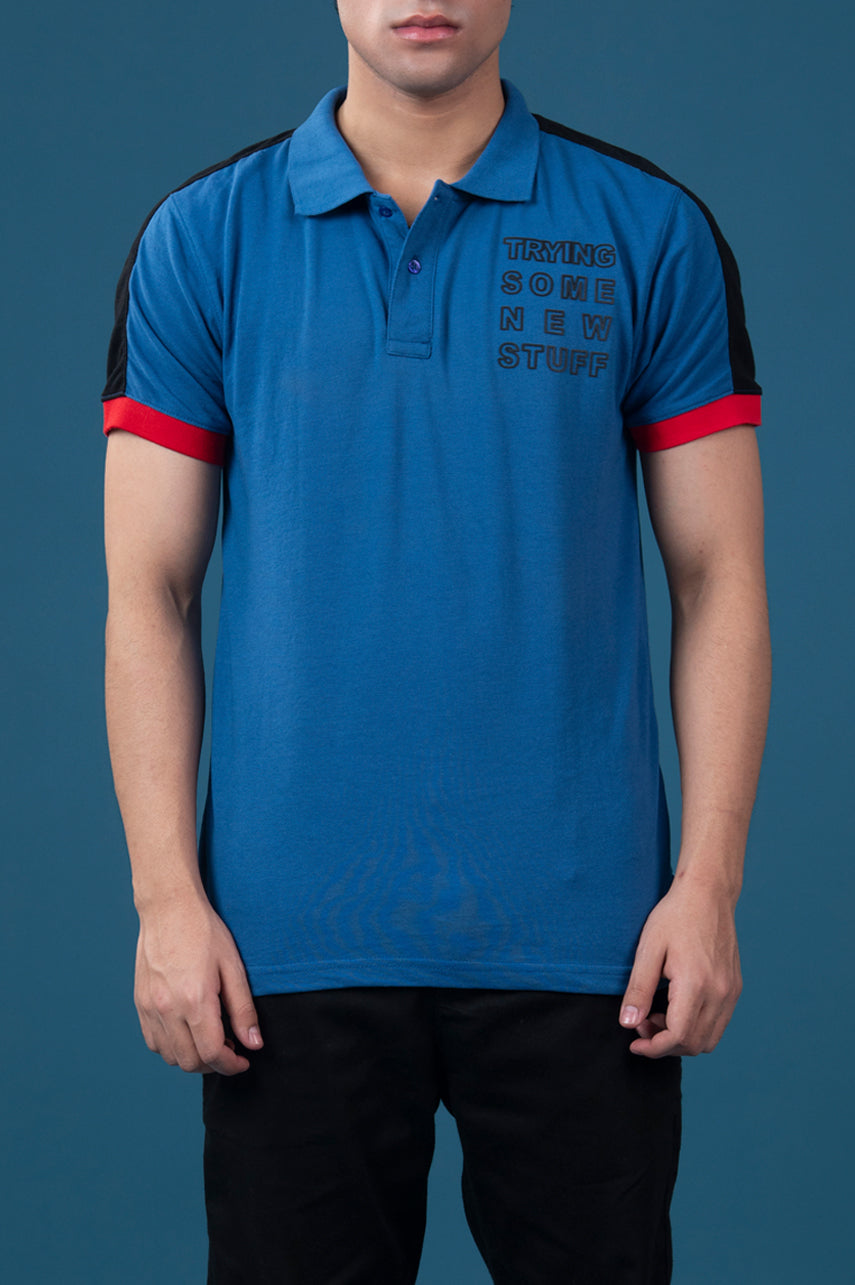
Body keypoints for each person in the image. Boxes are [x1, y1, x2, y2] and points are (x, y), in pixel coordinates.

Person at [102, 3, 771, 1281]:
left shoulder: (649, 228)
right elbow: (150, 594)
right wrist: (165, 901)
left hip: (592, 946)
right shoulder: (203, 237)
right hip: (283, 948)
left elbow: (719, 576)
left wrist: (709, 887)